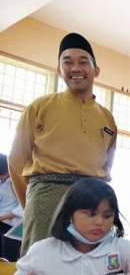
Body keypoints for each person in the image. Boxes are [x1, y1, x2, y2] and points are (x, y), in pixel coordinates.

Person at [9, 32, 117, 256]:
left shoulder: (107, 118)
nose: (75, 68)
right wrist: (32, 204)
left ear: (96, 71)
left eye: (83, 62)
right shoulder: (40, 107)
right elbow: (16, 161)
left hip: (92, 198)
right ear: (59, 70)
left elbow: (107, 165)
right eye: (67, 62)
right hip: (47, 195)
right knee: (39, 264)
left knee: (90, 264)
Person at [0, 153, 23, 261]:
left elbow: (24, 207)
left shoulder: (19, 180)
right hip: (3, 219)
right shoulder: (3, 181)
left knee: (6, 242)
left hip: (15, 222)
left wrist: (2, 217)